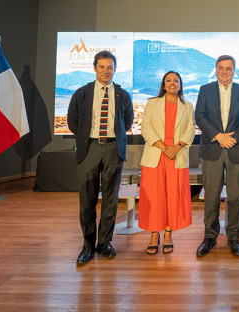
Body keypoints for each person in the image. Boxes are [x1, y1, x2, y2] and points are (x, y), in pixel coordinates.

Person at [67, 51, 134, 265]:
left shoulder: (122, 95)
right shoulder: (82, 93)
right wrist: (88, 138)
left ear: (115, 69)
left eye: (110, 67)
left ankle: (104, 242)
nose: (106, 71)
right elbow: (72, 121)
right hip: (90, 149)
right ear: (95, 68)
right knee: (87, 200)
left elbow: (128, 121)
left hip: (114, 149)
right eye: (102, 67)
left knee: (111, 199)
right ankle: (88, 245)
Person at [195, 55, 239, 257]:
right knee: (211, 196)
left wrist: (233, 138)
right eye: (220, 68)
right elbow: (200, 117)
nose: (224, 71)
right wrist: (218, 137)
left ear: (234, 70)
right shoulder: (206, 90)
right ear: (215, 69)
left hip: (236, 149)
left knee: (235, 196)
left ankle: (234, 238)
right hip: (212, 149)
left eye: (228, 68)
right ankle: (210, 237)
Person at [138, 71, 196, 254]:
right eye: (168, 80)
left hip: (176, 156)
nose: (172, 83)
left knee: (173, 196)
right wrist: (165, 148)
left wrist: (176, 147)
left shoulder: (187, 106)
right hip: (156, 154)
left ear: (180, 85)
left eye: (176, 81)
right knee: (155, 197)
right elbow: (146, 127)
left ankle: (169, 234)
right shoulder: (152, 103)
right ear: (163, 85)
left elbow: (191, 130)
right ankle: (154, 235)